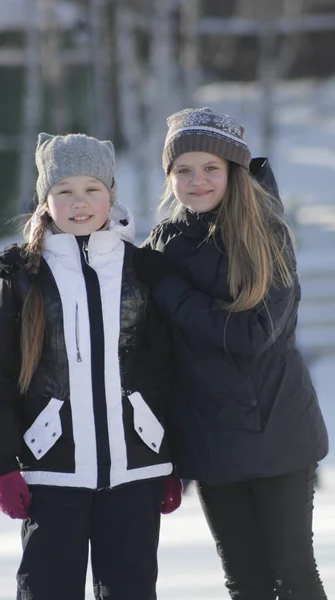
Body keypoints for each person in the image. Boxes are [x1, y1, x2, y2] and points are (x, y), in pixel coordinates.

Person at [0, 132, 181, 600]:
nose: (80, 203)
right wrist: (1, 464)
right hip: (52, 473)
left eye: (92, 190)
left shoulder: (143, 271)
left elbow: (168, 370)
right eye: (65, 191)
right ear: (46, 201)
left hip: (135, 471)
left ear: (111, 195)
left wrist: (172, 460)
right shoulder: (22, 276)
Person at [135, 107, 329, 599]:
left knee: (293, 574)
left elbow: (250, 335)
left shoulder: (267, 236)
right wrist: (33, 264)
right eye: (183, 170)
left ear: (233, 172)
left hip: (276, 430)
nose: (196, 180)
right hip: (209, 438)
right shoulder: (164, 244)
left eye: (210, 169)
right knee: (245, 581)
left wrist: (170, 290)